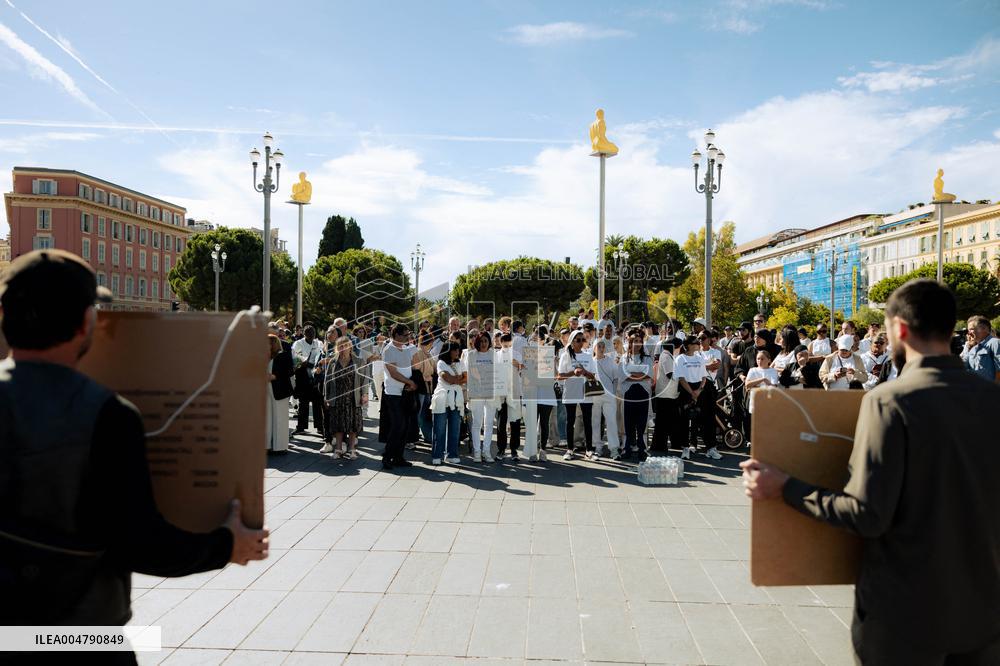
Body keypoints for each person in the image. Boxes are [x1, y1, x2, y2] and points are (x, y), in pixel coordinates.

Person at [0, 249, 268, 651]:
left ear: (5, 317)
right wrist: (227, 545)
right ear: (86, 322)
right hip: (79, 636)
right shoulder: (107, 414)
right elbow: (143, 543)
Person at [741, 279, 1000, 664]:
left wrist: (786, 486)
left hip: (905, 617)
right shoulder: (991, 400)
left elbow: (867, 513)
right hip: (982, 617)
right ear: (951, 328)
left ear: (899, 329)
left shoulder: (890, 401)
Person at [676, 337, 723, 460]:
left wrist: (699, 390)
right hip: (686, 389)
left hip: (701, 389)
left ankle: (711, 448)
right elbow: (681, 378)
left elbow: (704, 376)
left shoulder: (699, 358)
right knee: (684, 420)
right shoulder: (680, 358)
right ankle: (685, 448)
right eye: (696, 343)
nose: (698, 344)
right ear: (689, 345)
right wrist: (692, 392)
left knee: (708, 418)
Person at [381, 324, 417, 470]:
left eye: (408, 335)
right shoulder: (389, 349)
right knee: (397, 425)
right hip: (393, 393)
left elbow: (412, 367)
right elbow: (393, 372)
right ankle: (387, 456)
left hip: (406, 392)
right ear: (396, 335)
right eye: (405, 335)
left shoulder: (406, 349)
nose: (408, 337)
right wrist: (409, 382)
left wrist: (412, 382)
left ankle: (398, 457)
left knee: (405, 426)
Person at [324, 336, 366, 460]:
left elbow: (364, 380)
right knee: (338, 424)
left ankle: (352, 449)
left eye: (346, 346)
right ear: (337, 348)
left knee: (353, 425)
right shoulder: (332, 362)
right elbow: (327, 380)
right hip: (337, 397)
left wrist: (365, 394)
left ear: (350, 347)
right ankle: (338, 449)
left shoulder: (358, 361)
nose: (343, 349)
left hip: (353, 397)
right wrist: (326, 397)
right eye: (340, 347)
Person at [557, 330, 596, 460]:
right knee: (570, 422)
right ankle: (569, 449)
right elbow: (560, 376)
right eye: (578, 340)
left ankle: (589, 450)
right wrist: (573, 372)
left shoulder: (588, 356)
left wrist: (584, 372)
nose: (580, 342)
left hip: (586, 392)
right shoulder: (565, 355)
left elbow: (593, 376)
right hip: (571, 391)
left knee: (587, 422)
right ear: (572, 341)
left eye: (582, 340)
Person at [430, 341, 466, 465]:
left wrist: (456, 380)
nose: (457, 352)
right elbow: (447, 378)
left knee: (455, 427)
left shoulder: (460, 363)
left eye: (458, 350)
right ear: (448, 351)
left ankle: (452, 454)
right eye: (455, 350)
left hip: (456, 398)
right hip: (442, 397)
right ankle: (437, 455)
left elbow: (465, 378)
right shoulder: (441, 363)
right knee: (439, 427)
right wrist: (458, 379)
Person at [466, 332, 497, 463]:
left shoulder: (493, 354)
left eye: (486, 341)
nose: (484, 343)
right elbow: (471, 372)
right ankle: (477, 452)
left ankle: (486, 451)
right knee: (477, 423)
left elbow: (498, 372)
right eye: (481, 341)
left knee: (489, 423)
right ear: (477, 342)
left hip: (491, 392)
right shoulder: (471, 354)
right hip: (477, 392)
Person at [590, 339, 621, 459]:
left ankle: (614, 449)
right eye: (599, 346)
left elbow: (616, 378)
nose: (601, 348)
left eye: (603, 346)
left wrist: (613, 392)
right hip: (594, 395)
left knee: (611, 422)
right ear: (594, 348)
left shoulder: (611, 361)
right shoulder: (590, 361)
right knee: (595, 422)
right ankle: (597, 447)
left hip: (609, 396)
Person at [291, 325, 324, 436]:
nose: (311, 335)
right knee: (303, 403)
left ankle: (320, 427)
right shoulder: (298, 344)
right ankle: (301, 427)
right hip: (302, 376)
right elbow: (296, 360)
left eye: (313, 333)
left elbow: (321, 356)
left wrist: (315, 364)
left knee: (317, 403)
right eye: (309, 333)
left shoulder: (318, 343)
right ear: (304, 334)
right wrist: (309, 364)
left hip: (315, 377)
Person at [743, 349, 780, 443]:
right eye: (758, 359)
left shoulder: (773, 371)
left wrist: (755, 385)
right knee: (755, 423)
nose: (759, 361)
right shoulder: (752, 370)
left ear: (769, 360)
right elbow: (747, 384)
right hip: (755, 400)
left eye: (762, 359)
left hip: (768, 401)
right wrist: (762, 379)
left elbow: (773, 387)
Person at [267, 334, 293, 454]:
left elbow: (289, 371)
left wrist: (275, 376)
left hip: (280, 389)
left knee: (280, 418)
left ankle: (280, 447)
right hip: (266, 389)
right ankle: (266, 445)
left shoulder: (283, 355)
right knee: (267, 418)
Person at [411, 332, 436, 445]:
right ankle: (414, 436)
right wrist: (426, 376)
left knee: (425, 413)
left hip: (427, 388)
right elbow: (416, 369)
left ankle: (427, 436)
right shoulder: (419, 352)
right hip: (421, 387)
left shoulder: (426, 353)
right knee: (419, 413)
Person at [961, 315, 1000, 383]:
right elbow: (962, 366)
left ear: (984, 329)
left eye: (971, 329)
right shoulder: (972, 347)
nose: (969, 333)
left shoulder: (995, 342)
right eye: (968, 330)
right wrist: (968, 347)